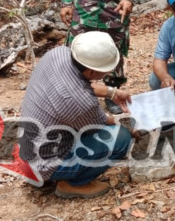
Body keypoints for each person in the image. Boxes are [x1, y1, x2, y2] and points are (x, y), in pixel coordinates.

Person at [18, 31, 134, 199]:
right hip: (42, 165)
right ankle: (74, 184)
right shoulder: (81, 103)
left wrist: (112, 92)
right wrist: (130, 124)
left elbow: (81, 83)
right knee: (121, 138)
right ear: (92, 73)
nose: (107, 74)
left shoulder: (58, 54)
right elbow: (103, 123)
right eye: (106, 70)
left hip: (27, 152)